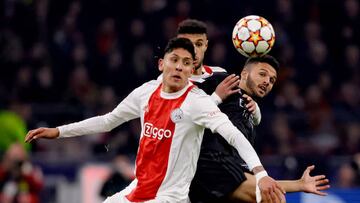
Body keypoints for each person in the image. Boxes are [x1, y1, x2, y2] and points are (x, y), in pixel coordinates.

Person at [24, 37, 285, 203]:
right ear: (162, 64)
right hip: (138, 190)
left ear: (192, 69)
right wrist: (58, 131)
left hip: (169, 198)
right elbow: (107, 121)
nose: (180, 67)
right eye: (174, 60)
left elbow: (234, 135)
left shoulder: (199, 103)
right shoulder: (146, 92)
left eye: (186, 62)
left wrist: (260, 173)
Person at [175, 19, 330, 203]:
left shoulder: (248, 113)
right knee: (272, 197)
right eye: (262, 74)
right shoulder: (220, 80)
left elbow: (256, 178)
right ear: (245, 74)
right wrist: (215, 96)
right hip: (208, 164)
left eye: (272, 80)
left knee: (273, 195)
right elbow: (180, 111)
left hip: (220, 175)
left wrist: (299, 185)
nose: (267, 81)